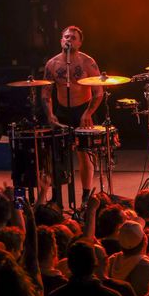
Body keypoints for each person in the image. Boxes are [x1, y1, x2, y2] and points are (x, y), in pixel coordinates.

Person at [42, 25, 103, 207]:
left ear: (80, 42)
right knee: (57, 155)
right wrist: (50, 114)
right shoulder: (52, 64)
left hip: (83, 109)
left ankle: (85, 195)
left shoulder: (87, 62)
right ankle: (56, 197)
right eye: (66, 37)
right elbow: (46, 93)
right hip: (62, 110)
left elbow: (98, 92)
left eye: (73, 37)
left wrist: (88, 113)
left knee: (85, 155)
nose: (69, 40)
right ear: (61, 40)